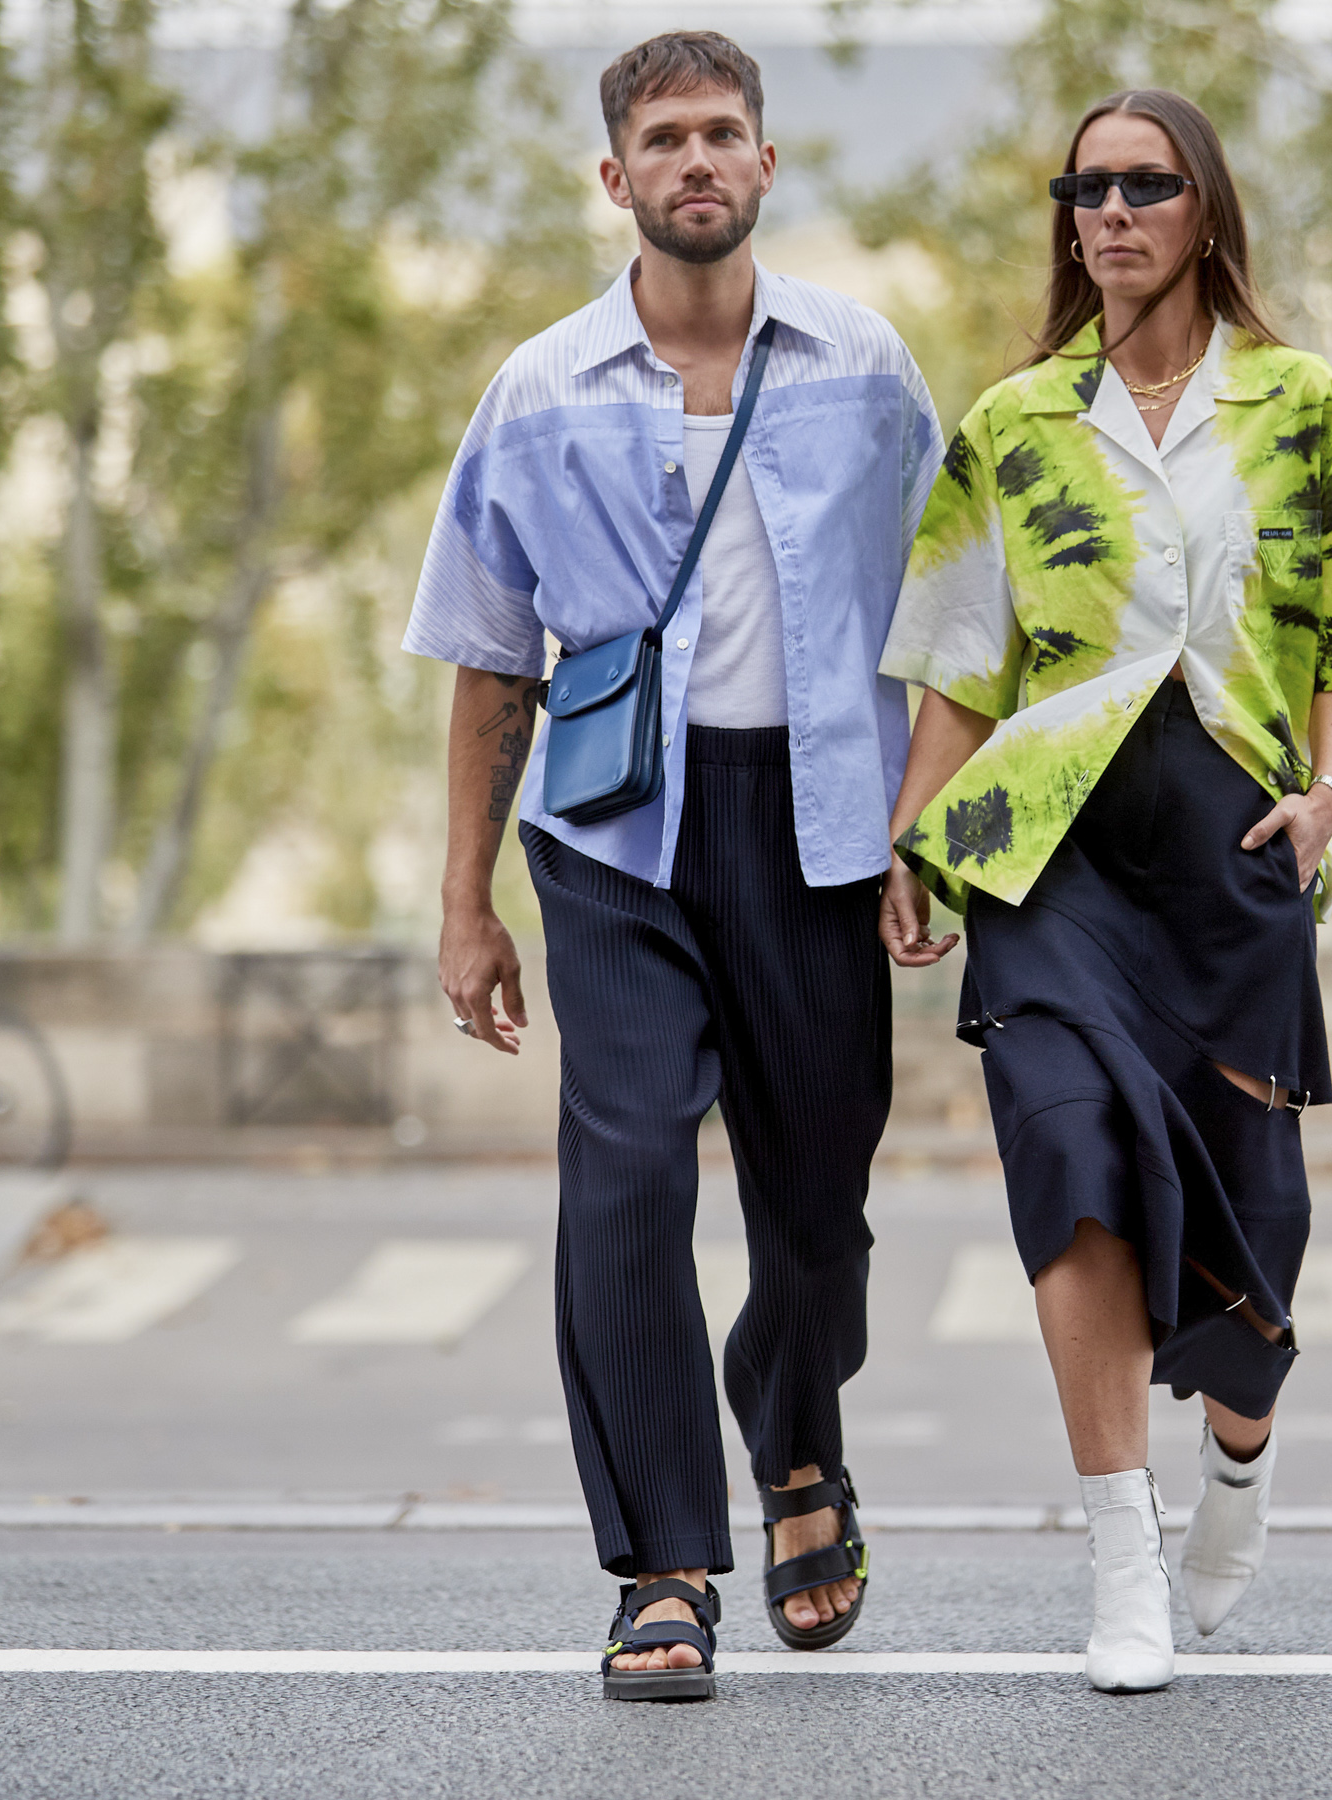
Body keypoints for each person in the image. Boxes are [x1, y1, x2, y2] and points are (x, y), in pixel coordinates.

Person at [407, 32, 940, 1702]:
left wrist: (928, 827)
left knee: (816, 1218)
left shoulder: (866, 368)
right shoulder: (541, 389)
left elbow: (958, 626)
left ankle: (797, 1442)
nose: (696, 160)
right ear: (617, 176)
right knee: (625, 1178)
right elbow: (491, 661)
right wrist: (463, 899)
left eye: (723, 134)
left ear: (767, 167)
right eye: (664, 138)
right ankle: (663, 1564)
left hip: (823, 829)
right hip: (613, 845)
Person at [880, 88, 1332, 1693]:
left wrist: (1328, 796)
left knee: (1262, 1218)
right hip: (1053, 851)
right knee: (1071, 1167)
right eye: (1085, 188)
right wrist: (914, 842)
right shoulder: (1013, 424)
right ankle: (1118, 1554)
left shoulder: (1299, 401)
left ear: (1206, 208)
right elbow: (957, 665)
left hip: (1234, 850)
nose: (1109, 211)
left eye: (1145, 185)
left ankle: (1239, 1468)